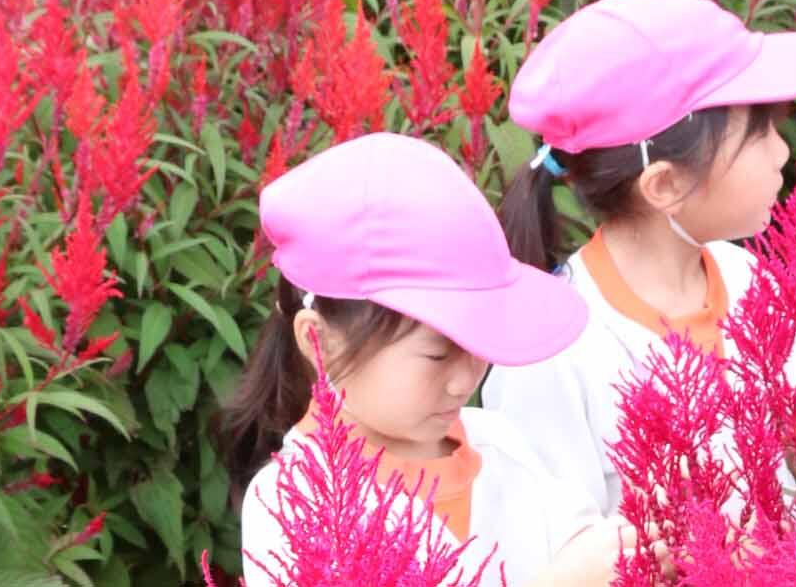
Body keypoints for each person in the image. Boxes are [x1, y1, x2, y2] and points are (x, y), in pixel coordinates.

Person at [488, 0, 796, 515]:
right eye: (761, 130)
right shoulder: (551, 354)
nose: (784, 151)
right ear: (665, 184)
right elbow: (555, 554)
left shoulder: (749, 279)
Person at [222, 133, 627, 587]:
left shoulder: (497, 443)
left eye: (476, 343)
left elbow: (586, 546)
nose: (462, 381)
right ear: (320, 342)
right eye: (436, 354)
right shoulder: (296, 502)